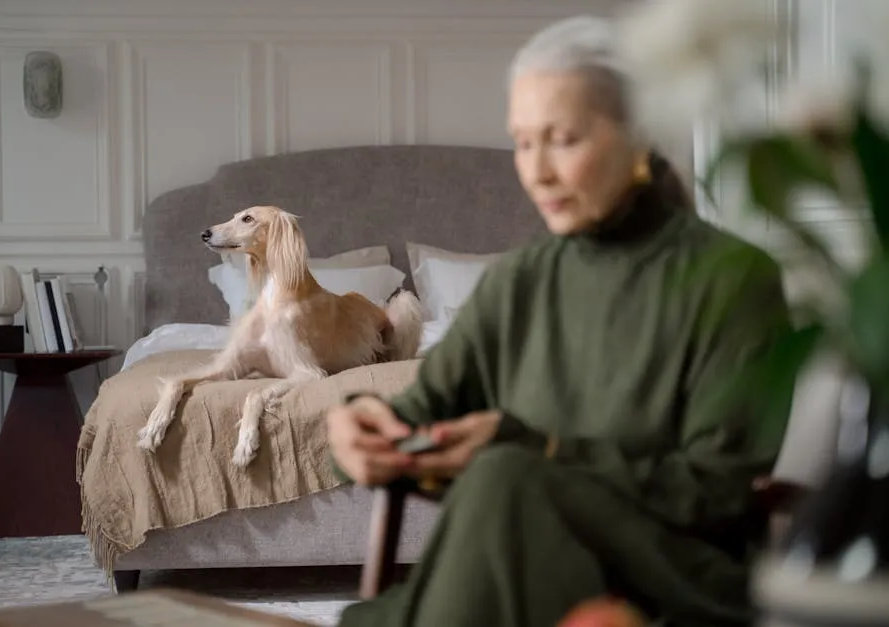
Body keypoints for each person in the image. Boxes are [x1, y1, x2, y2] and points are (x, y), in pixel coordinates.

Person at [326, 15, 794, 627]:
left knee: (505, 475)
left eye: (563, 139)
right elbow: (415, 420)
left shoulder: (734, 279)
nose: (536, 171)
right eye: (522, 142)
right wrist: (359, 430)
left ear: (637, 137)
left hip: (669, 582)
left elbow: (717, 494)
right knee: (503, 478)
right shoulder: (517, 284)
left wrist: (537, 449)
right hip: (516, 569)